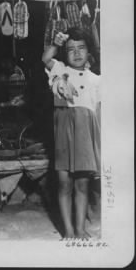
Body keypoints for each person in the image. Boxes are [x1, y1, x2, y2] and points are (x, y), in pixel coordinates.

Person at [42, 27, 100, 239]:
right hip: (64, 134)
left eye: (81, 48)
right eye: (71, 49)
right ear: (65, 54)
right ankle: (68, 230)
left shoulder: (96, 79)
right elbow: (46, 57)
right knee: (65, 183)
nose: (76, 53)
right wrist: (56, 44)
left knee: (83, 184)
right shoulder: (59, 71)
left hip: (85, 133)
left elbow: (99, 113)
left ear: (89, 53)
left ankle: (80, 228)